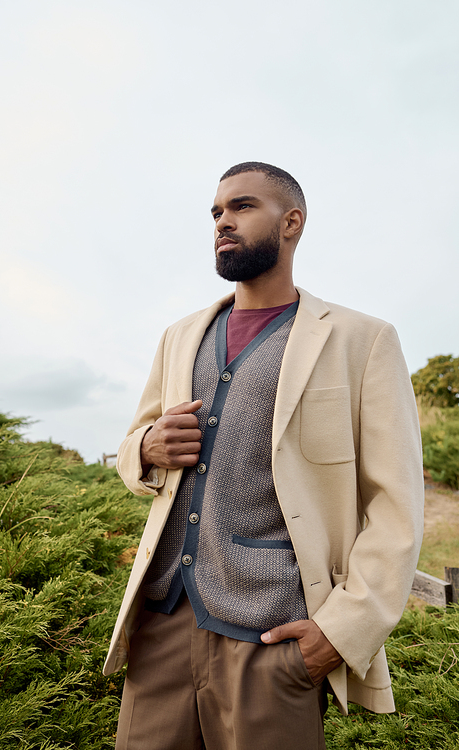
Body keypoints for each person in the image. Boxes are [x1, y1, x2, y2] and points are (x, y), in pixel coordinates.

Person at [104, 162, 424, 750]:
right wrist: (146, 449)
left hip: (272, 641)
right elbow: (134, 447)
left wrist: (341, 630)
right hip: (163, 626)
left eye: (242, 206)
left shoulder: (362, 340)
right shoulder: (180, 336)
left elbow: (397, 504)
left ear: (292, 222)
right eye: (216, 212)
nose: (223, 221)